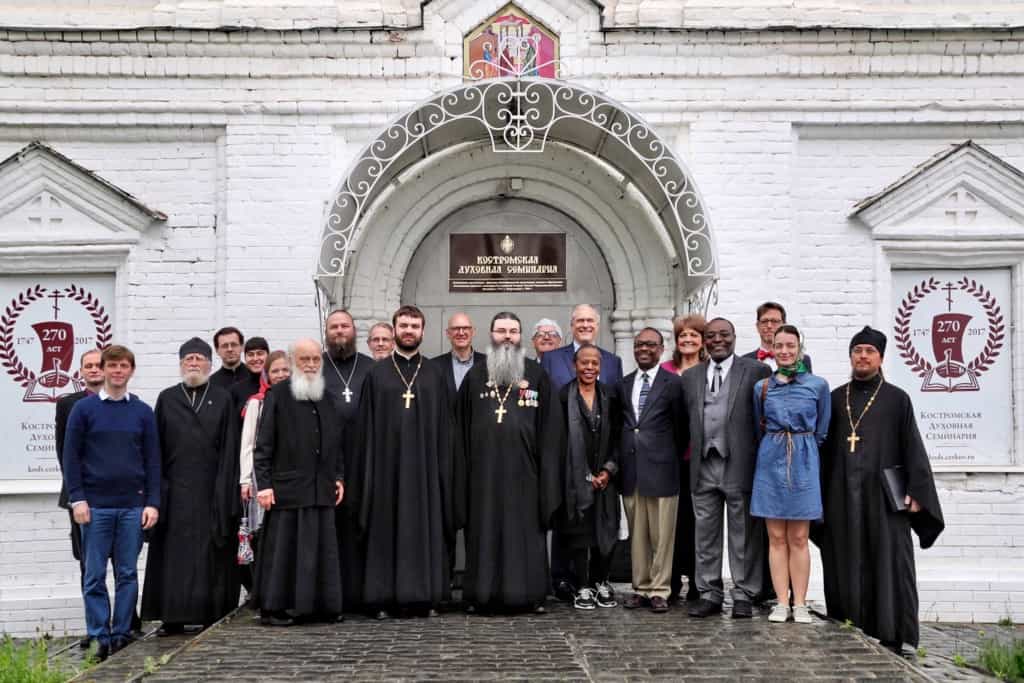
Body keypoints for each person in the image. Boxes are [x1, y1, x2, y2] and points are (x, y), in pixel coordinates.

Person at [815, 326, 944, 654]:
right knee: (842, 558)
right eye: (857, 350)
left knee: (889, 561)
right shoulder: (835, 399)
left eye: (869, 351)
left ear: (881, 358)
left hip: (883, 498)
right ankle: (847, 627)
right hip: (841, 495)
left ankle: (893, 632)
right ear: (850, 356)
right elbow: (821, 450)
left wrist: (917, 491)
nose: (863, 356)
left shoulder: (897, 399)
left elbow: (912, 447)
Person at [454, 312, 563, 613]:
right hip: (483, 476)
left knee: (524, 536)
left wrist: (548, 480)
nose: (507, 337)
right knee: (484, 534)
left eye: (513, 331)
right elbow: (459, 432)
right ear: (490, 335)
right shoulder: (474, 376)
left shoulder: (537, 375)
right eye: (501, 330)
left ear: (520, 336)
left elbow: (552, 432)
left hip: (526, 476)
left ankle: (531, 596)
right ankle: (480, 596)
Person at [352, 305, 452, 618]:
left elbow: (445, 430)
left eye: (414, 326)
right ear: (394, 329)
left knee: (424, 529)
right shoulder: (376, 374)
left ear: (423, 331)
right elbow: (365, 429)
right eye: (404, 325)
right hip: (386, 471)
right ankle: (381, 599)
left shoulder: (435, 374)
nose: (409, 331)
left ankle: (426, 598)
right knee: (385, 529)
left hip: (425, 472)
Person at [61, 345, 160, 661]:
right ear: (103, 370)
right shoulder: (83, 410)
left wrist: (152, 503)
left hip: (132, 507)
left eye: (123, 366)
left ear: (131, 370)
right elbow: (71, 457)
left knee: (128, 573)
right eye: (112, 365)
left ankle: (121, 635)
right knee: (94, 576)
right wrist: (77, 498)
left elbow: (153, 461)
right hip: (95, 507)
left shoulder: (143, 412)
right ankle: (98, 636)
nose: (117, 371)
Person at [142, 338, 241, 635]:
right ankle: (172, 617)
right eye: (189, 359)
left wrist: (226, 491)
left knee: (210, 556)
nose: (194, 363)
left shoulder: (222, 398)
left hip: (211, 490)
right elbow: (155, 450)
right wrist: (156, 493)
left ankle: (210, 613)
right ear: (181, 364)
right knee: (173, 557)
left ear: (209, 364)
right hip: (175, 491)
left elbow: (230, 449)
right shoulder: (167, 398)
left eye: (199, 358)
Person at [681, 317, 771, 619]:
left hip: (738, 462)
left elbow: (763, 418)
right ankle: (709, 593)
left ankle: (744, 593)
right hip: (703, 464)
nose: (717, 340)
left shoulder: (756, 371)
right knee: (705, 534)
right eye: (711, 335)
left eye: (724, 334)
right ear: (704, 340)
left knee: (743, 534)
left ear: (734, 337)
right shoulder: (691, 376)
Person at [253, 339, 345, 626]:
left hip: (321, 488)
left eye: (316, 359)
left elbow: (335, 442)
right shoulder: (278, 395)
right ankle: (280, 608)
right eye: (305, 359)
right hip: (288, 490)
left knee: (321, 551)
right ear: (293, 362)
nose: (311, 365)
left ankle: (321, 606)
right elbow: (264, 444)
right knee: (287, 553)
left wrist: (339, 477)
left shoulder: (326, 396)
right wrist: (264, 485)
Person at [750, 325, 830, 624]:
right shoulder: (762, 387)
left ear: (799, 348)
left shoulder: (817, 385)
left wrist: (803, 451)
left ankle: (800, 603)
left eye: (790, 345)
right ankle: (781, 602)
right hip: (770, 460)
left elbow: (822, 430)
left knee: (799, 536)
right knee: (775, 537)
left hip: (804, 460)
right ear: (772, 349)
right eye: (779, 345)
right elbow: (757, 425)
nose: (784, 351)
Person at [616, 328, 687, 613]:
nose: (644, 349)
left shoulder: (673, 383)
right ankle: (641, 587)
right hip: (632, 470)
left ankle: (660, 589)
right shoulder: (624, 383)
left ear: (661, 348)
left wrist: (665, 454)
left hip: (663, 469)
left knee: (662, 535)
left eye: (650, 344)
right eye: (639, 344)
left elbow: (682, 428)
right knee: (638, 535)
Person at [557, 343, 618, 611]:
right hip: (574, 479)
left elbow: (618, 436)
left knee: (606, 531)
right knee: (580, 534)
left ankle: (601, 581)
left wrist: (608, 470)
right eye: (584, 363)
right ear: (575, 365)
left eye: (595, 363)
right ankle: (582, 585)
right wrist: (582, 474)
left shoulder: (610, 395)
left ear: (600, 366)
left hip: (606, 478)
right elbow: (559, 441)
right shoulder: (563, 396)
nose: (589, 367)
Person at [320, 309, 373, 610]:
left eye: (344, 326)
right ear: (327, 332)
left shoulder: (370, 368)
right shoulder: (317, 368)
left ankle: (363, 594)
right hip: (328, 462)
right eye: (334, 327)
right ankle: (334, 595)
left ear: (354, 331)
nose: (340, 331)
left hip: (364, 457)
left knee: (363, 524)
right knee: (333, 528)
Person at [237, 349, 290, 591]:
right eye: (275, 371)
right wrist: (246, 480)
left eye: (285, 370)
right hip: (262, 477)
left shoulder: (299, 399)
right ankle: (262, 589)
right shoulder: (257, 402)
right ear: (267, 375)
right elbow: (248, 444)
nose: (281, 375)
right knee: (262, 534)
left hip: (288, 478)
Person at [661, 314, 705, 605]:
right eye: (683, 336)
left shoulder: (709, 370)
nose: (687, 340)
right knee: (672, 521)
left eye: (693, 335)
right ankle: (673, 578)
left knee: (699, 521)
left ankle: (699, 581)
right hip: (669, 458)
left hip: (699, 459)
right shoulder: (665, 370)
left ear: (702, 341)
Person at [541, 304, 623, 390]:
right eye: (580, 320)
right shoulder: (551, 359)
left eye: (590, 320)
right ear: (572, 325)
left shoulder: (613, 362)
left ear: (597, 325)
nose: (585, 325)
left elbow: (617, 395)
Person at [743, 302, 813, 373]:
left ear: (784, 325)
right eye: (764, 321)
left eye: (775, 321)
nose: (769, 326)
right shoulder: (744, 361)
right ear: (757, 326)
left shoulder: (803, 360)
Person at [432, 312, 485, 397]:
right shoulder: (433, 366)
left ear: (473, 332)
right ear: (448, 333)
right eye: (456, 328)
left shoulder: (488, 363)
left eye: (465, 328)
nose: (461, 333)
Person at [228, 336, 270, 413]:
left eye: (260, 353)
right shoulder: (236, 390)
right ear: (245, 358)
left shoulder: (275, 385)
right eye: (250, 355)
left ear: (268, 355)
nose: (255, 358)